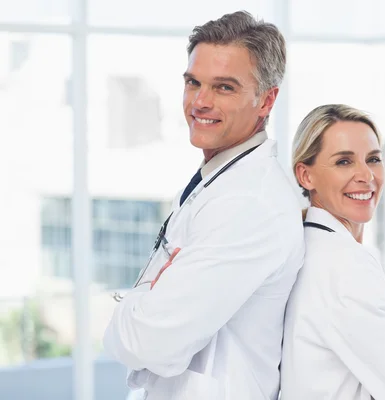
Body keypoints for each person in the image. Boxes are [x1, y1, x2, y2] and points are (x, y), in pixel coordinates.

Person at [103, 11, 304, 400]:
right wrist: (147, 302)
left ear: (267, 100)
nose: (200, 101)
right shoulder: (220, 180)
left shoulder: (250, 205)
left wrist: (131, 308)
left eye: (223, 87)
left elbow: (147, 342)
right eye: (193, 82)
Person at [280, 104, 385, 400]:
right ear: (306, 175)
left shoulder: (306, 250)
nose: (366, 175)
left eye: (374, 159)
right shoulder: (343, 266)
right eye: (344, 162)